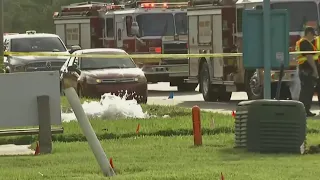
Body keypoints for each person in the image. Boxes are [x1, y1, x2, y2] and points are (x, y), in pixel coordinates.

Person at [296, 26, 319, 117]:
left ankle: (305, 111)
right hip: (307, 70)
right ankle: (304, 111)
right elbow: (309, 57)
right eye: (313, 35)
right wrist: (315, 70)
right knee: (307, 91)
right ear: (309, 33)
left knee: (306, 91)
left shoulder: (301, 42)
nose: (314, 38)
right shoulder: (305, 43)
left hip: (304, 70)